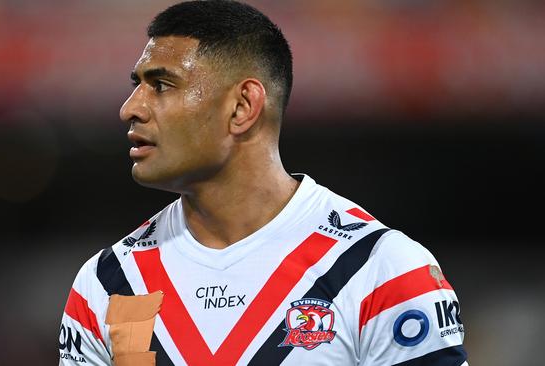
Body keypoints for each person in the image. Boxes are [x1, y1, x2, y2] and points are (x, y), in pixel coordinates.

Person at [58, 1, 467, 365]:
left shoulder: (380, 270)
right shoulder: (107, 283)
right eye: (137, 85)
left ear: (242, 107)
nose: (130, 109)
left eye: (161, 85)